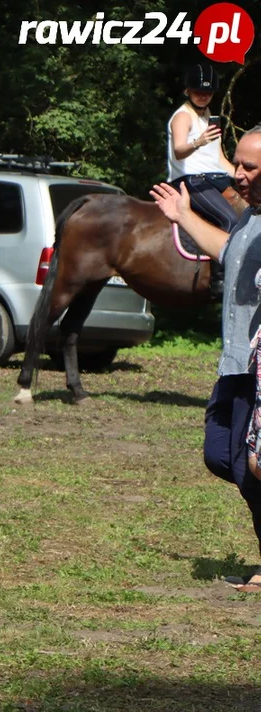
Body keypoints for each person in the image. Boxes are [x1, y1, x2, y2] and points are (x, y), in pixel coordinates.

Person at [151, 126, 261, 593]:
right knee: (223, 455)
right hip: (234, 360)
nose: (237, 175)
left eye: (249, 166)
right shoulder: (251, 218)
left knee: (248, 464)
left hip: (258, 370)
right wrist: (182, 215)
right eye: (237, 163)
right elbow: (228, 252)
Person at [166, 63, 237, 233]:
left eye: (208, 93)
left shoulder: (208, 118)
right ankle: (222, 259)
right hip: (191, 181)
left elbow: (220, 159)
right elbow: (179, 150)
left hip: (215, 180)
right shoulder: (183, 116)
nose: (203, 96)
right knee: (231, 220)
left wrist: (246, 175)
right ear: (187, 91)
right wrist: (199, 142)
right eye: (198, 92)